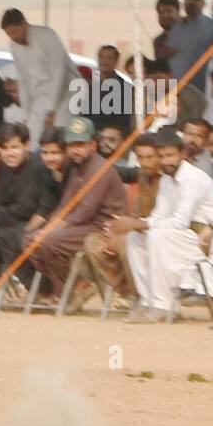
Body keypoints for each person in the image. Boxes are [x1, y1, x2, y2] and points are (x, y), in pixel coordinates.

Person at [120, 127, 213, 323]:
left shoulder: (193, 178)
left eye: (170, 155)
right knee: (135, 236)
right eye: (161, 156)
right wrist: (136, 225)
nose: (165, 161)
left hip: (209, 240)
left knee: (158, 234)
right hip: (183, 237)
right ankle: (148, 299)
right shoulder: (167, 180)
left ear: (182, 154)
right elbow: (159, 215)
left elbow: (180, 221)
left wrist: (141, 224)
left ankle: (163, 305)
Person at [23, 116, 126, 300]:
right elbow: (65, 205)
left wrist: (51, 230)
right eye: (71, 145)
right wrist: (46, 228)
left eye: (80, 144)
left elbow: (85, 211)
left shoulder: (99, 168)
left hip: (102, 227)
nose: (75, 150)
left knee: (49, 241)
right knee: (30, 242)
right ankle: (72, 287)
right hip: (81, 226)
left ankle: (71, 290)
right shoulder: (77, 168)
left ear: (93, 145)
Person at [84, 132, 159, 307]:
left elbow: (164, 219)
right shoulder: (142, 175)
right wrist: (116, 228)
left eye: (150, 157)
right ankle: (127, 292)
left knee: (126, 243)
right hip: (138, 229)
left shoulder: (168, 179)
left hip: (159, 233)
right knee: (93, 242)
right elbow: (135, 213)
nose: (145, 162)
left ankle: (141, 295)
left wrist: (128, 229)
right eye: (141, 157)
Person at [0, 123, 49, 288]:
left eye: (14, 147)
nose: (10, 153)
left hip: (27, 221)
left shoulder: (34, 167)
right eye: (5, 148)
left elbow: (27, 207)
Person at [1, 8, 80, 142]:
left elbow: (58, 73)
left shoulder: (46, 36)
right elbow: (24, 81)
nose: (14, 37)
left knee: (58, 137)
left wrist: (51, 110)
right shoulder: (14, 46)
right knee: (31, 137)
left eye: (15, 32)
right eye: (9, 35)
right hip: (40, 96)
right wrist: (26, 113)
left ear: (24, 24)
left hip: (67, 92)